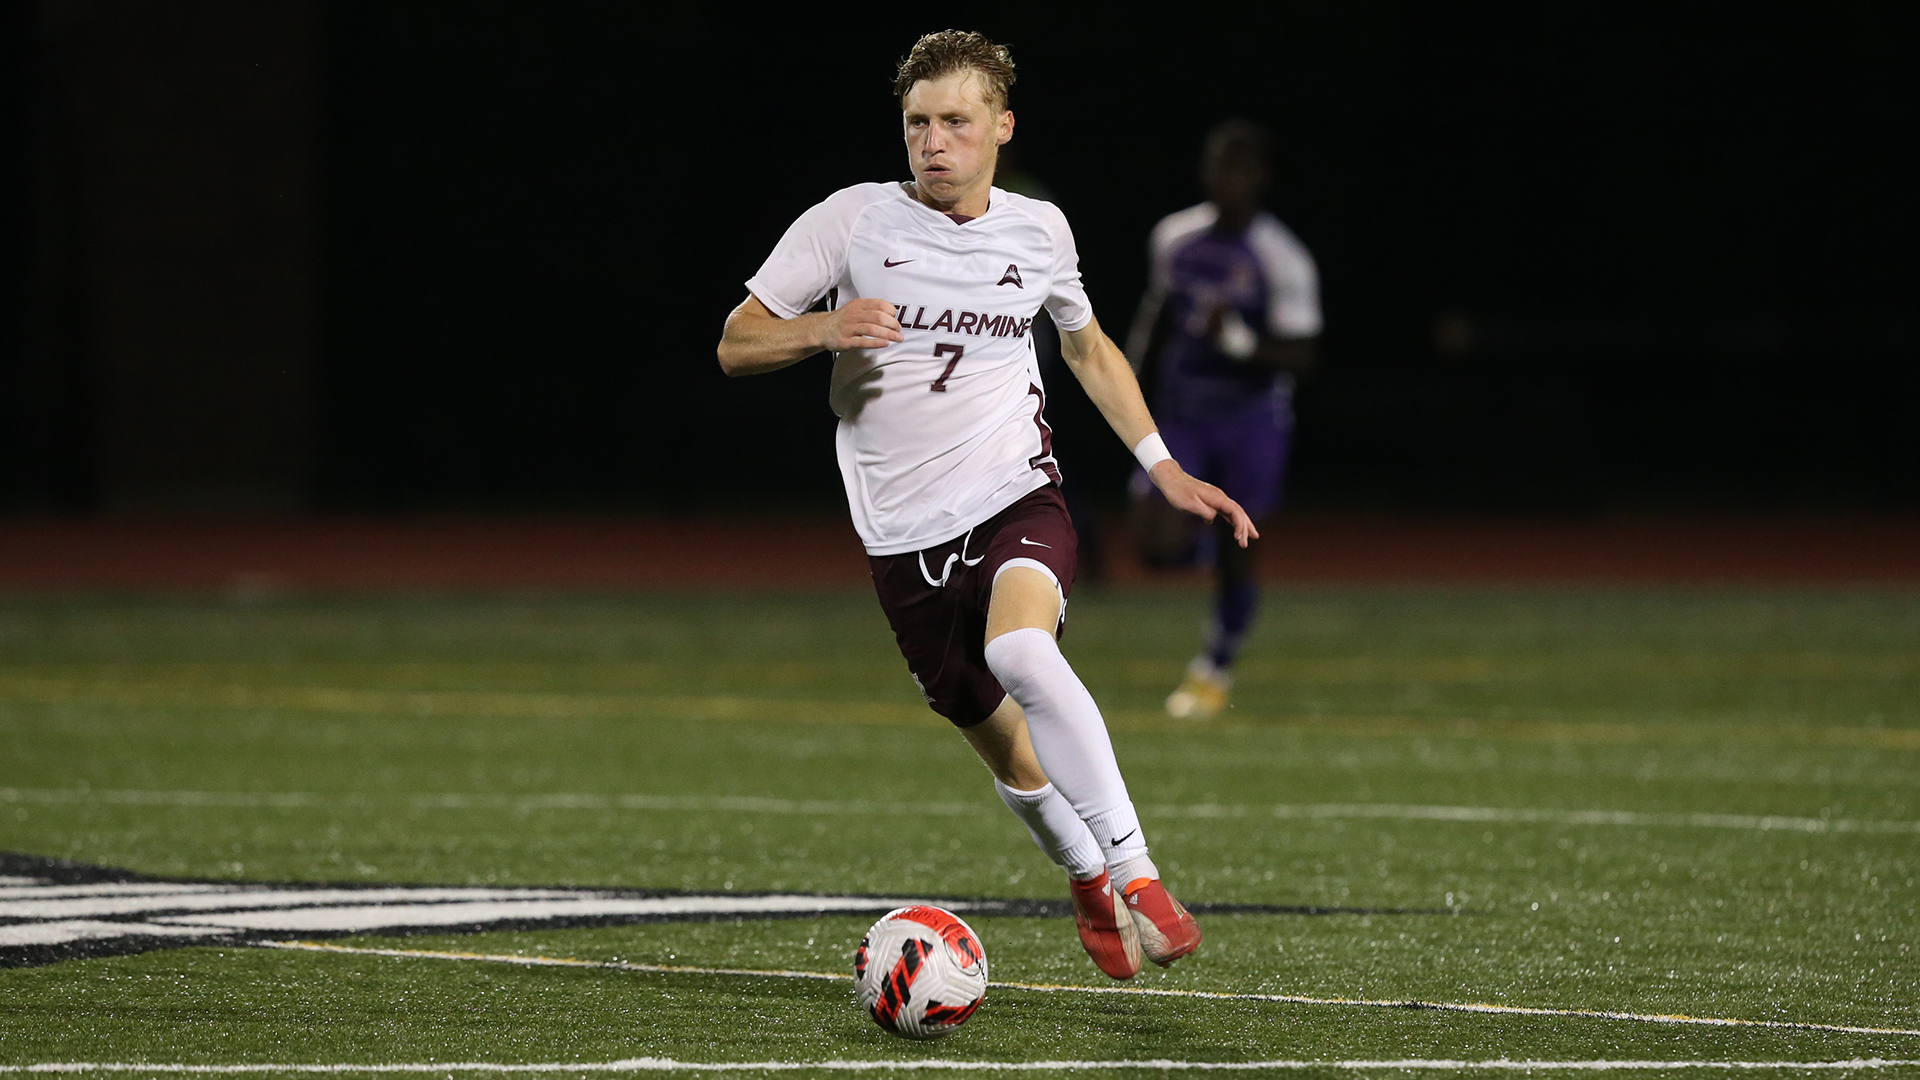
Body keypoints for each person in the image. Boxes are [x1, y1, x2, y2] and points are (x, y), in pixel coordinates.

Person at [715, 30, 1254, 980]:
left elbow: (1086, 348)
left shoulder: (1039, 230)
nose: (934, 142)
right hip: (899, 530)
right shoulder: (850, 222)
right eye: (919, 123)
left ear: (1001, 127)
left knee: (1019, 648)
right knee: (1007, 753)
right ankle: (1085, 875)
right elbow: (736, 342)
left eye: (956, 122)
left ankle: (1138, 875)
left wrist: (1160, 463)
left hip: (1015, 492)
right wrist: (824, 327)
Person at [1125, 120, 1321, 720]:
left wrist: (1237, 342)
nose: (1226, 180)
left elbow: (1303, 354)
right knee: (1151, 543)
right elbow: (1155, 315)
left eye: (1238, 168)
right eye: (1217, 166)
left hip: (1249, 418)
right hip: (1183, 412)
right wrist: (1125, 385)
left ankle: (1215, 667)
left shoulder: (1280, 256)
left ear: (1259, 178)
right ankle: (1200, 553)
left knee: (1239, 550)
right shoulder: (1175, 236)